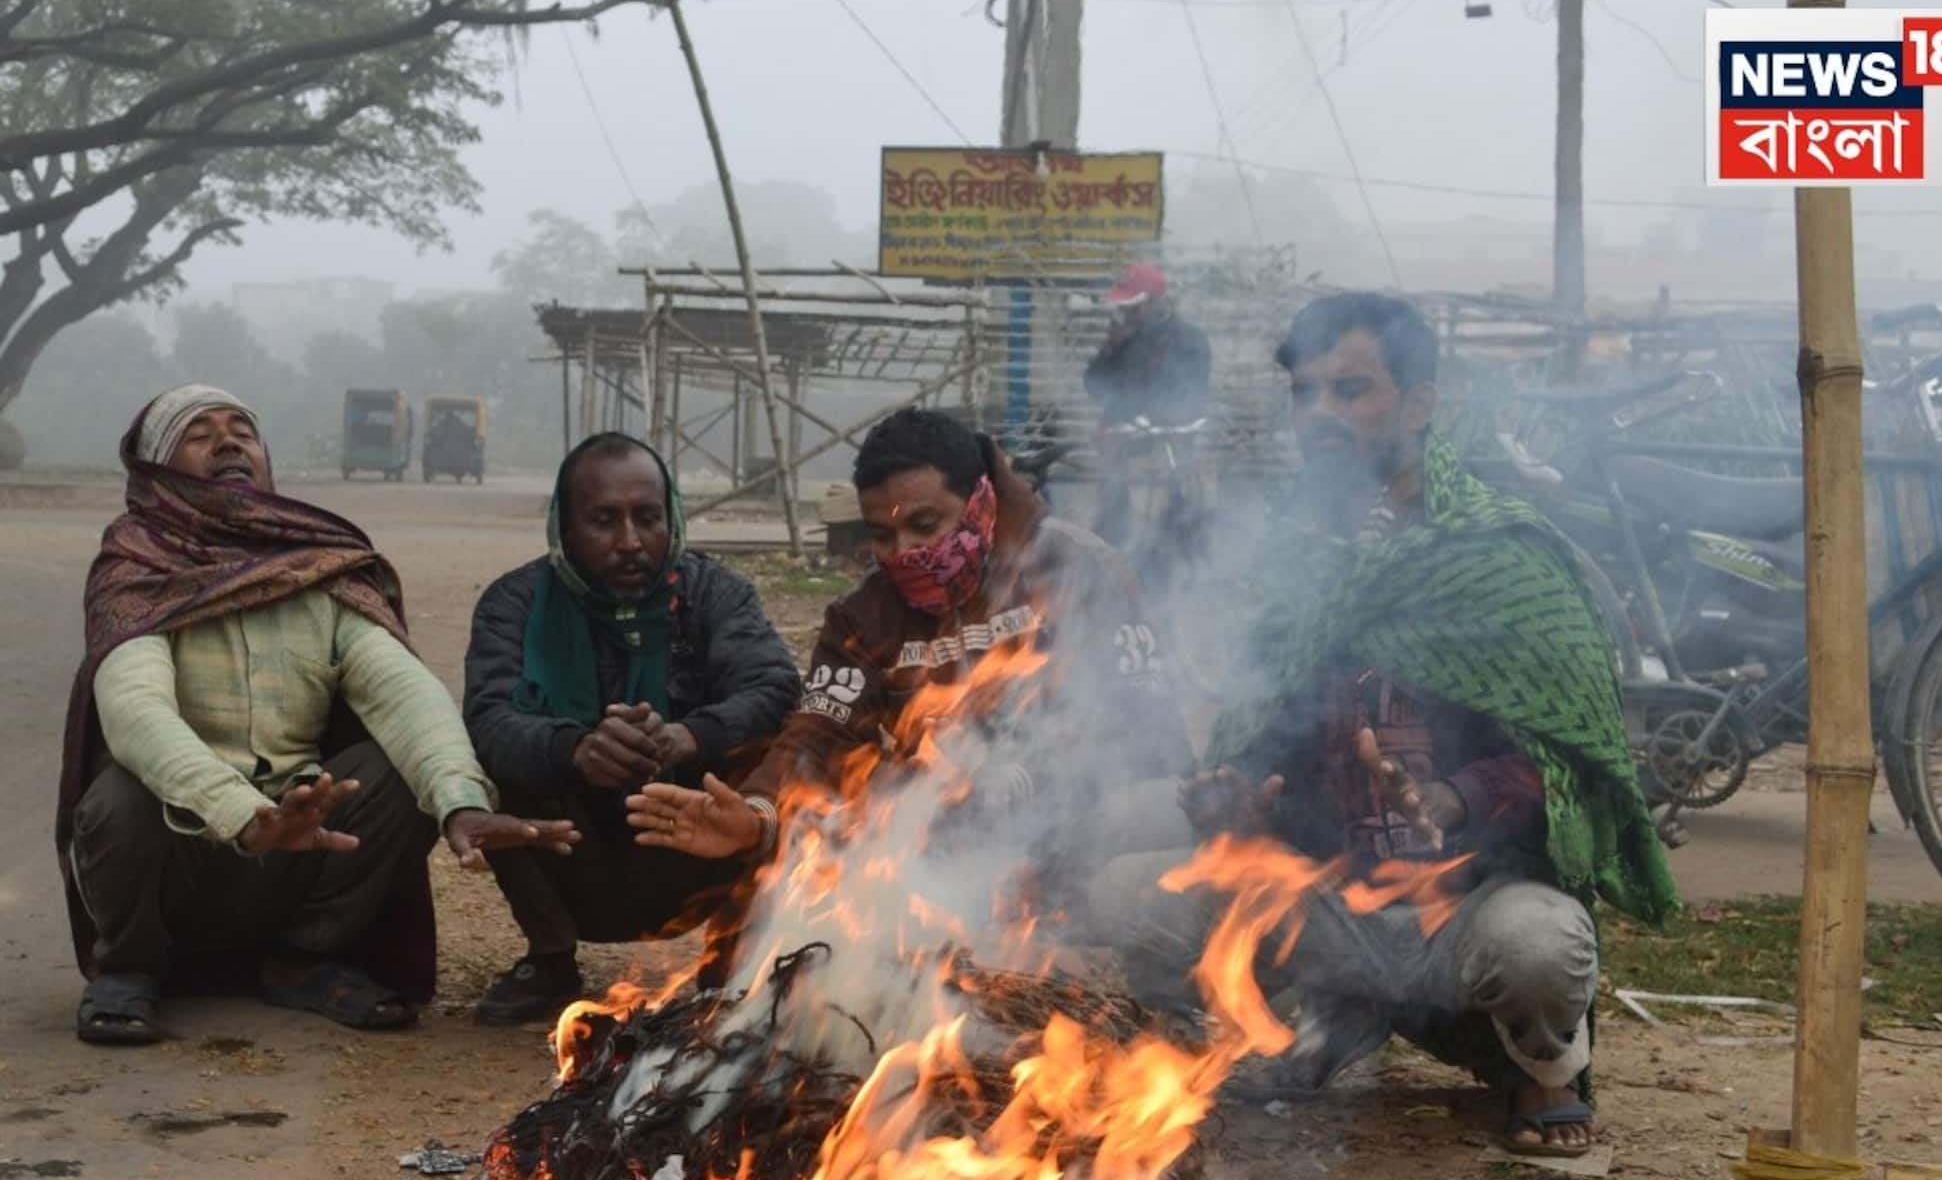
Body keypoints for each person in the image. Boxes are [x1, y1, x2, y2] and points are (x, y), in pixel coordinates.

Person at [1082, 294, 1680, 1157]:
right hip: (1326, 901)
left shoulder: (1499, 553)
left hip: (1468, 910)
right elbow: (1262, 719)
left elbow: (1567, 762)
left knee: (1541, 945)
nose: (1319, 415)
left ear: (1419, 404)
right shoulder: (1289, 557)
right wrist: (1242, 791)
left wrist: (1455, 795)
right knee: (1140, 903)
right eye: (1305, 393)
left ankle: (1538, 1067)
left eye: (1351, 390)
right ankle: (1320, 1020)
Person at [55, 385, 578, 1047]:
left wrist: (459, 800)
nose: (229, 441)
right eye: (200, 432)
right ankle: (129, 969)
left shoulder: (319, 568)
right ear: (158, 471)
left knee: (394, 770)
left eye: (242, 427)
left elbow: (403, 692)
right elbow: (135, 711)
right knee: (118, 796)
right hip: (182, 841)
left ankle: (304, 958)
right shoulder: (136, 568)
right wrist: (242, 813)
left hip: (303, 842)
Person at [623, 407, 1192, 881]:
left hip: (1082, 832)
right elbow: (814, 737)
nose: (904, 552)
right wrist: (756, 816)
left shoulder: (1078, 567)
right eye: (882, 534)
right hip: (941, 852)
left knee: (1165, 821)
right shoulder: (862, 617)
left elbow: (1147, 733)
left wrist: (1028, 782)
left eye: (926, 525)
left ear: (982, 503)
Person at [461, 432, 801, 1024]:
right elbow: (490, 718)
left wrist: (688, 736)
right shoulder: (512, 603)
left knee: (785, 756)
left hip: (693, 840)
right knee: (482, 768)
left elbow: (774, 687)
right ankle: (549, 958)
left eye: (647, 518)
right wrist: (575, 748)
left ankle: (733, 953)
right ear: (563, 528)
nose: (629, 542)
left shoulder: (716, 593)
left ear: (670, 518)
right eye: (603, 521)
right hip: (574, 851)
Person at [1082, 262, 1213, 547]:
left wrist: (1151, 417)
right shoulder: (1126, 338)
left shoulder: (1189, 340)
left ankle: (1186, 551)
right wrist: (1109, 349)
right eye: (1125, 307)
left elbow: (1191, 396)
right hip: (1124, 451)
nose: (1127, 313)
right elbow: (1094, 385)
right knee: (1111, 518)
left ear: (1156, 303)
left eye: (1134, 306)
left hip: (1169, 449)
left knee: (1181, 516)